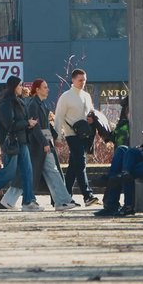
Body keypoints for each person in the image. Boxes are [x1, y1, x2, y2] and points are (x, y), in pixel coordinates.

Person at [0, 79, 77, 211]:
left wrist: (55, 137)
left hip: (40, 145)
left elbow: (44, 125)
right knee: (47, 171)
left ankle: (8, 200)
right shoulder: (33, 105)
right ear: (37, 89)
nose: (48, 89)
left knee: (34, 173)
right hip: (38, 146)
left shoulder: (39, 104)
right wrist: (45, 143)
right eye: (45, 87)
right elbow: (35, 127)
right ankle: (62, 201)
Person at [0, 76, 41, 212]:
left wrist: (28, 123)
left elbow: (20, 121)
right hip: (11, 142)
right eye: (19, 85)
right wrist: (27, 123)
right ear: (13, 86)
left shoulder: (19, 101)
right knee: (9, 172)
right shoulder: (6, 102)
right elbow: (9, 125)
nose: (22, 88)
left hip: (22, 140)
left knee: (27, 172)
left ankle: (28, 201)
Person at [54, 68, 100, 206]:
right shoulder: (66, 97)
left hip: (84, 135)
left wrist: (92, 119)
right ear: (73, 80)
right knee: (81, 163)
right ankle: (87, 195)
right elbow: (59, 117)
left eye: (84, 80)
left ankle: (66, 196)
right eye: (80, 80)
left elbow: (90, 112)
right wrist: (58, 137)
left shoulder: (86, 96)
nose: (83, 82)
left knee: (74, 166)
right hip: (71, 134)